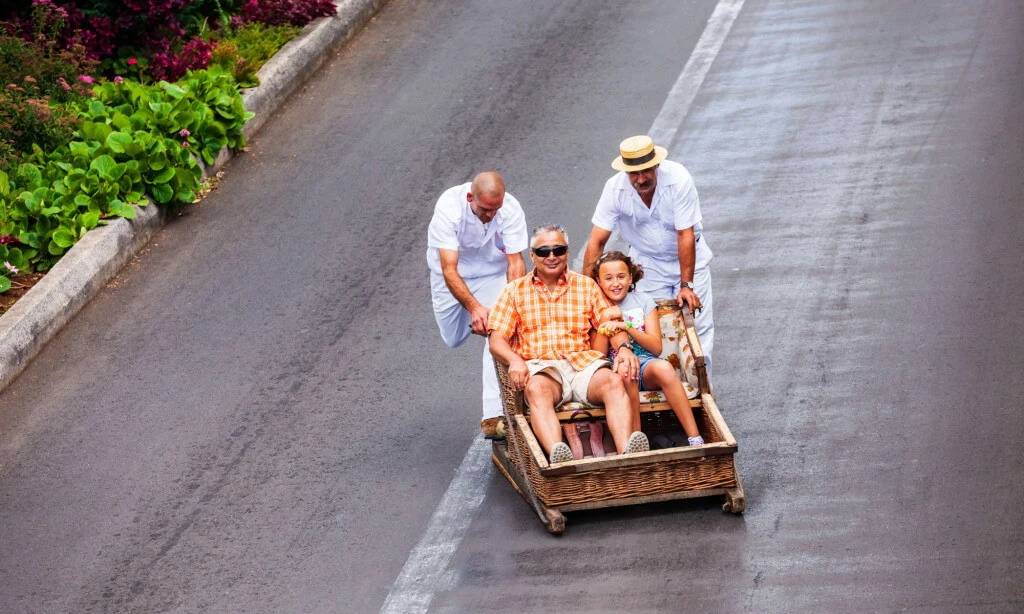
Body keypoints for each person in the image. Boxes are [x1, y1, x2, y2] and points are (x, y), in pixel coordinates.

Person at [488, 224, 650, 464]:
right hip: (543, 369)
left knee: (614, 381)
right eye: (544, 251)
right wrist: (514, 360)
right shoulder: (514, 291)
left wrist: (625, 349)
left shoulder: (586, 286)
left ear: (567, 252)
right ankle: (560, 458)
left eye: (558, 250)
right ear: (532, 255)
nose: (551, 256)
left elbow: (610, 322)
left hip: (583, 365)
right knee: (536, 389)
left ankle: (627, 454)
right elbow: (496, 339)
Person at [583, 135, 716, 381]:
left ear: (656, 165)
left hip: (688, 259)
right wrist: (588, 291)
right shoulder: (614, 189)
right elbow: (596, 241)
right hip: (648, 264)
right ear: (625, 171)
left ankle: (702, 396)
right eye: (634, 174)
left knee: (697, 330)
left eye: (646, 171)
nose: (641, 179)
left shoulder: (678, 179)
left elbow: (684, 234)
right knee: (653, 328)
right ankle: (664, 389)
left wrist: (686, 285)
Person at [427, 171, 528, 438]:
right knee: (453, 339)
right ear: (470, 197)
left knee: (500, 331)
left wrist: (510, 308)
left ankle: (494, 415)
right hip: (451, 275)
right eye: (485, 210)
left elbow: (516, 263)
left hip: (491, 274)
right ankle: (476, 318)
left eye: (496, 209)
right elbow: (449, 269)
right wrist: (474, 308)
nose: (491, 216)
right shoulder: (449, 209)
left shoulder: (510, 208)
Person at [590, 251, 705, 447]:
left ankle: (695, 438)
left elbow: (656, 347)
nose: (615, 283)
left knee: (664, 368)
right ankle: (636, 440)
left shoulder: (642, 301)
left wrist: (627, 327)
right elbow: (597, 354)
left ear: (630, 278)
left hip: (646, 362)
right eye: (608, 278)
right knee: (627, 371)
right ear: (599, 282)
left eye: (621, 276)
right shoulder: (597, 305)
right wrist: (603, 323)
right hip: (614, 368)